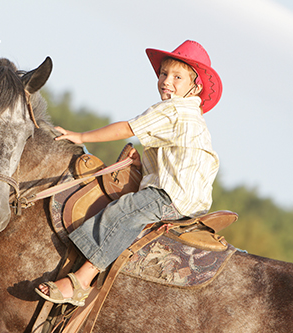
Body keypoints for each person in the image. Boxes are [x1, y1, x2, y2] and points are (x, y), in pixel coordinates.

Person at [35, 40, 222, 307]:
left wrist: (81, 136)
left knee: (125, 211)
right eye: (163, 74)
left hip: (172, 196)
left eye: (177, 77)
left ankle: (81, 281)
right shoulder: (193, 117)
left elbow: (127, 128)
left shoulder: (175, 109)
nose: (167, 81)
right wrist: (142, 165)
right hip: (190, 198)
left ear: (196, 85)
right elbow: (176, 163)